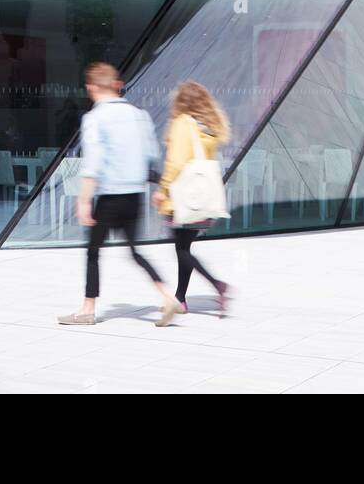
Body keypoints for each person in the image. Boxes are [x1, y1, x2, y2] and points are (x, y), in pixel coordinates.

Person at [58, 62, 177, 327]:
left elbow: (93, 162)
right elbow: (151, 155)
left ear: (90, 88)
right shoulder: (139, 114)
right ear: (115, 84)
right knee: (134, 251)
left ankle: (87, 309)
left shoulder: (95, 118)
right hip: (135, 195)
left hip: (110, 196)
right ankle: (167, 297)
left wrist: (84, 200)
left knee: (93, 252)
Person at [153, 81, 233, 325]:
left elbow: (176, 163)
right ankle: (181, 298)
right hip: (200, 198)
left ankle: (218, 285)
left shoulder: (183, 124)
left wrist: (163, 188)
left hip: (182, 197)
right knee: (184, 247)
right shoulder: (207, 128)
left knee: (181, 249)